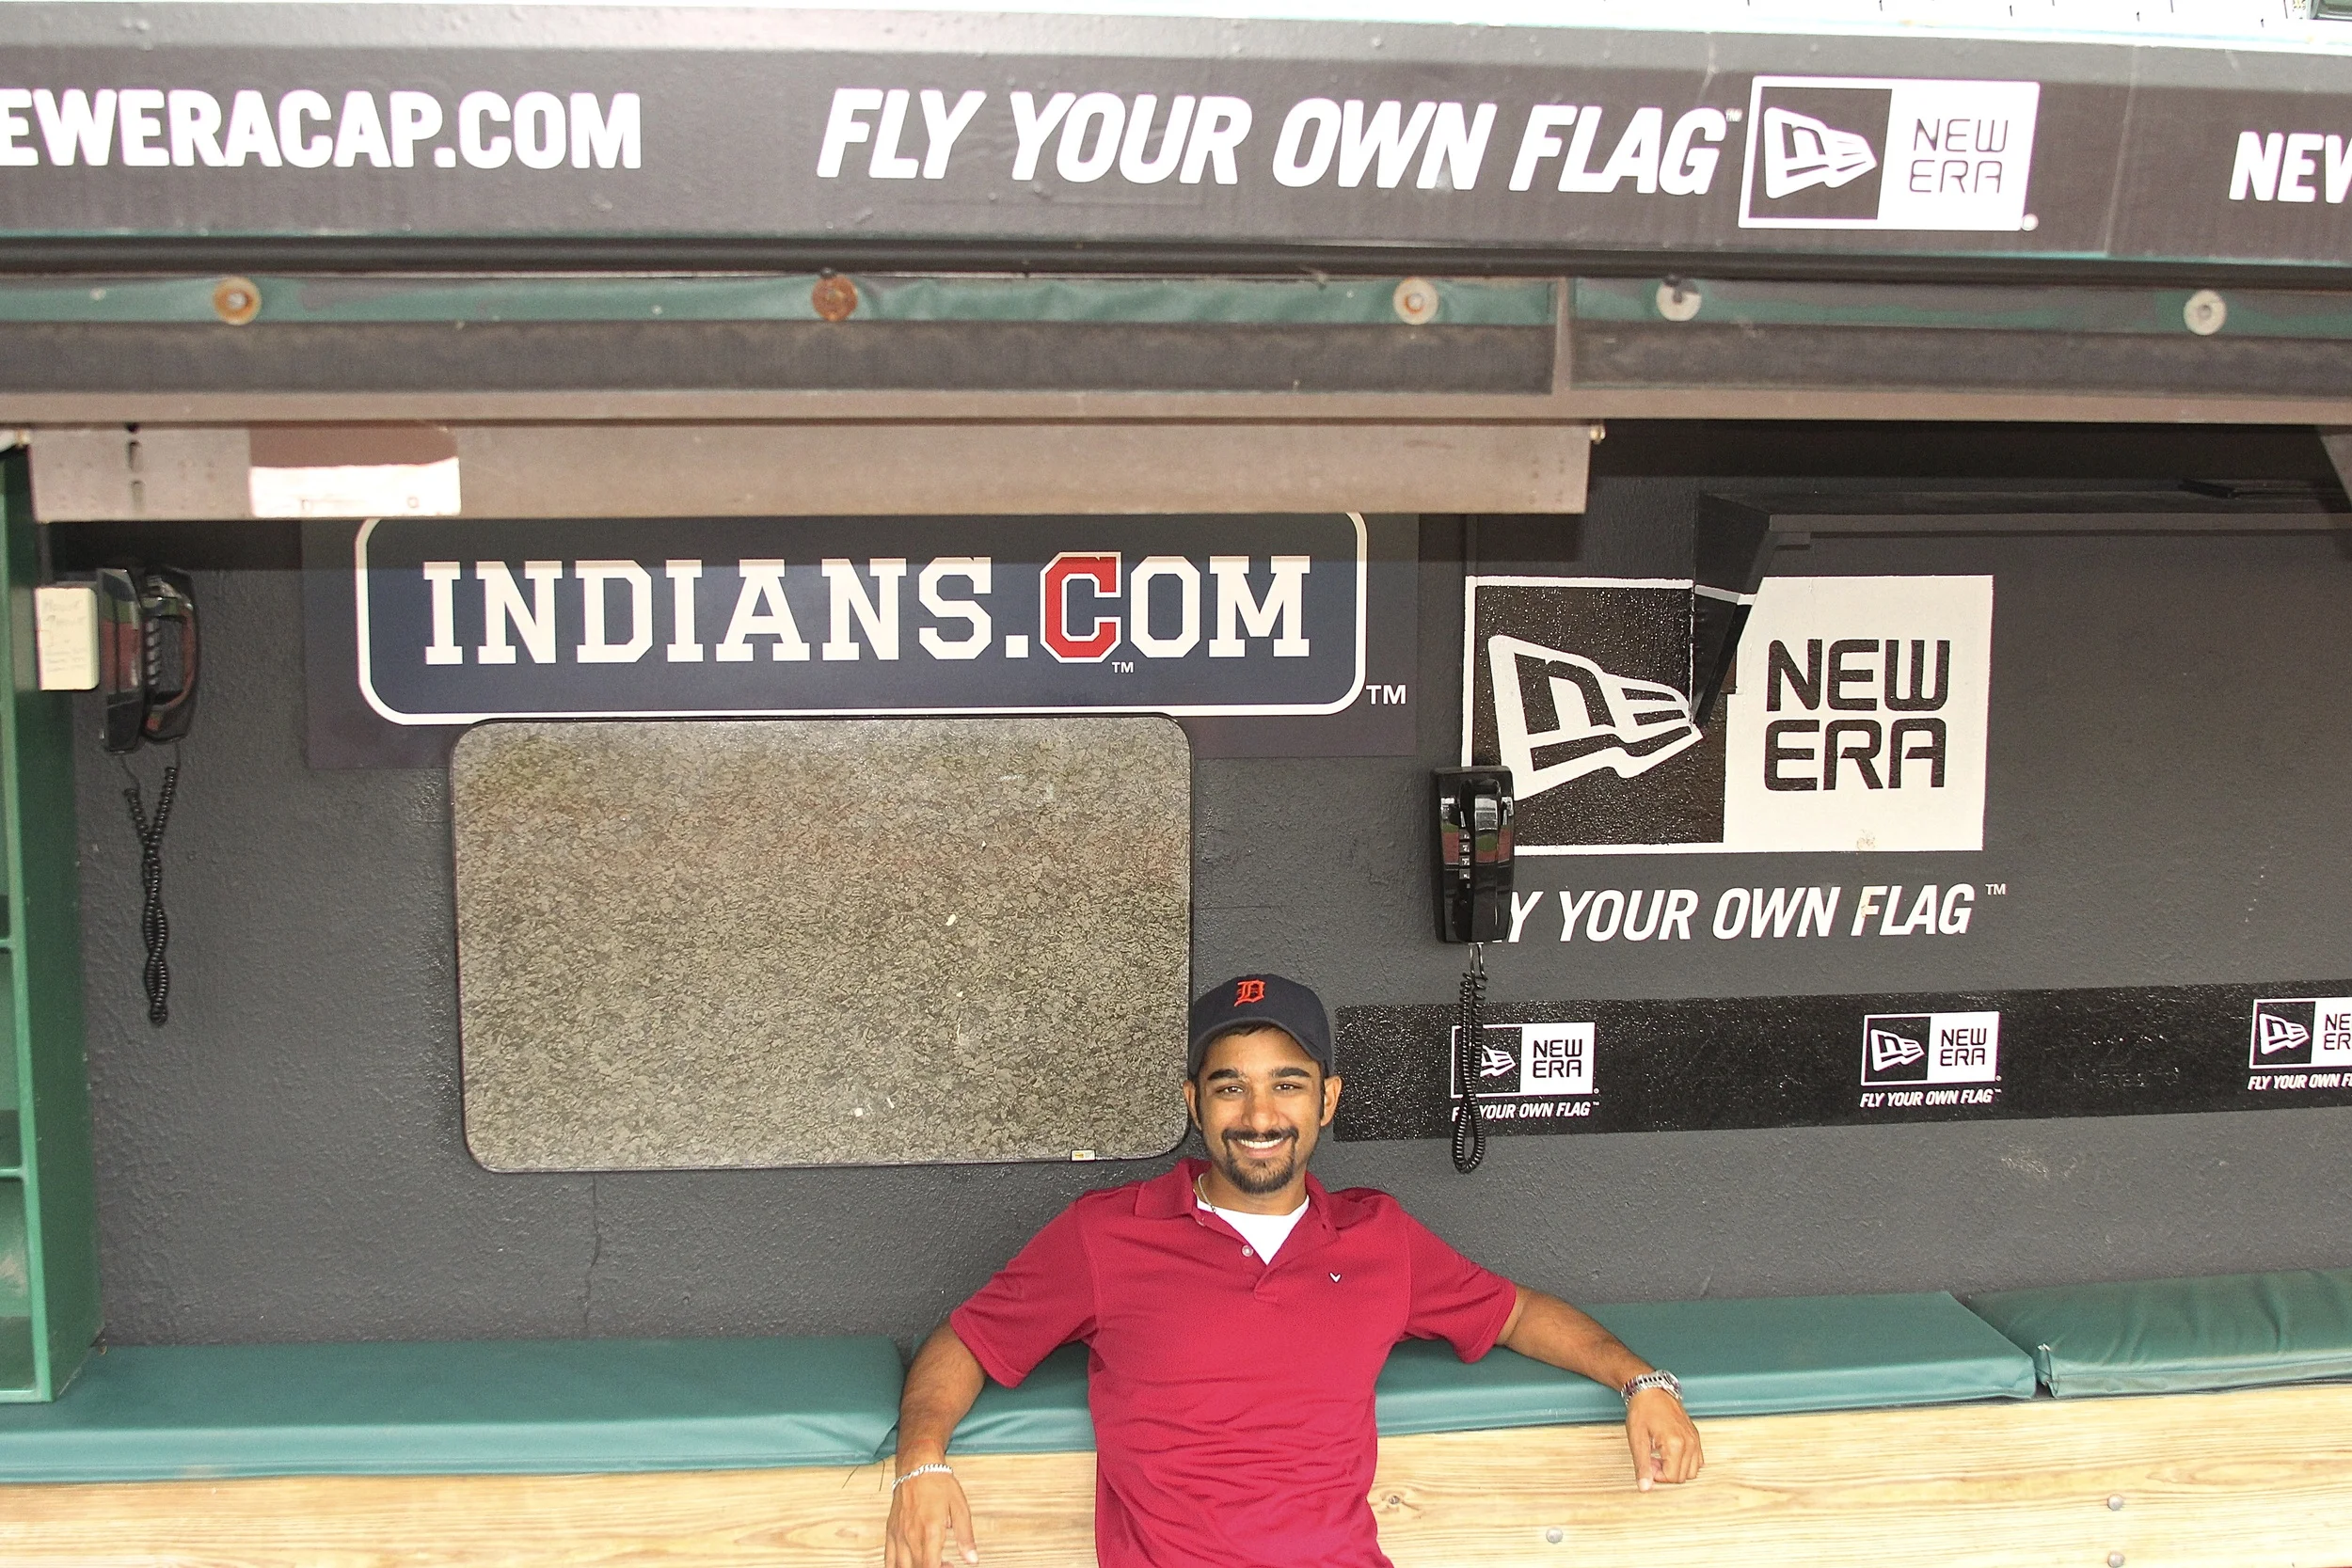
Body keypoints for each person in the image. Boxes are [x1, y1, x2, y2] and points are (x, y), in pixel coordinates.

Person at [884, 973, 1703, 1568]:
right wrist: (922, 1461)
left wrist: (1640, 1381)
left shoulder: (1379, 1238)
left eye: (1287, 1084)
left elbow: (1515, 1312)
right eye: (1230, 1087)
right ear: (1193, 1102)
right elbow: (969, 1340)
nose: (1260, 1114)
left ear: (1328, 1100)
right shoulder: (1107, 1236)